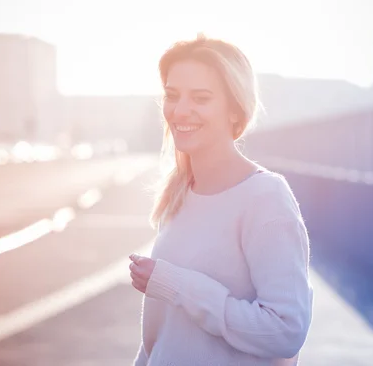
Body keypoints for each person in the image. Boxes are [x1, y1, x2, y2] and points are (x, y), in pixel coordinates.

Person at [129, 34, 314, 365]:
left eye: (200, 98)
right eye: (172, 96)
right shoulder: (179, 193)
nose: (180, 110)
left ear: (234, 110)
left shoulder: (265, 198)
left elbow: (285, 331)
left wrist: (176, 285)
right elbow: (159, 340)